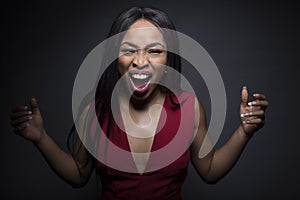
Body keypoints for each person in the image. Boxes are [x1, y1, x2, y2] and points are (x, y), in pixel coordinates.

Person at [10, 6, 268, 200]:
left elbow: (210, 170)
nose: (140, 61)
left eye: (154, 51)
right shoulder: (95, 111)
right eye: (129, 50)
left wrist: (244, 132)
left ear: (168, 60)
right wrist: (41, 138)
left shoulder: (189, 107)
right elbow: (79, 174)